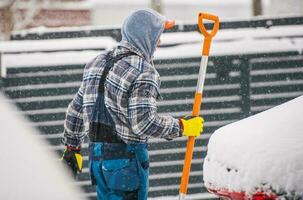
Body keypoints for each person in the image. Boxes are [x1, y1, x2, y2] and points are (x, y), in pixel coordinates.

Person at [61, 8, 204, 200]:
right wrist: (181, 127)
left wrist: (72, 148)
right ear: (146, 36)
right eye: (157, 35)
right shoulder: (144, 71)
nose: (159, 42)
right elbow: (143, 123)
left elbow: (75, 111)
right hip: (126, 163)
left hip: (97, 160)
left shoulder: (96, 62)